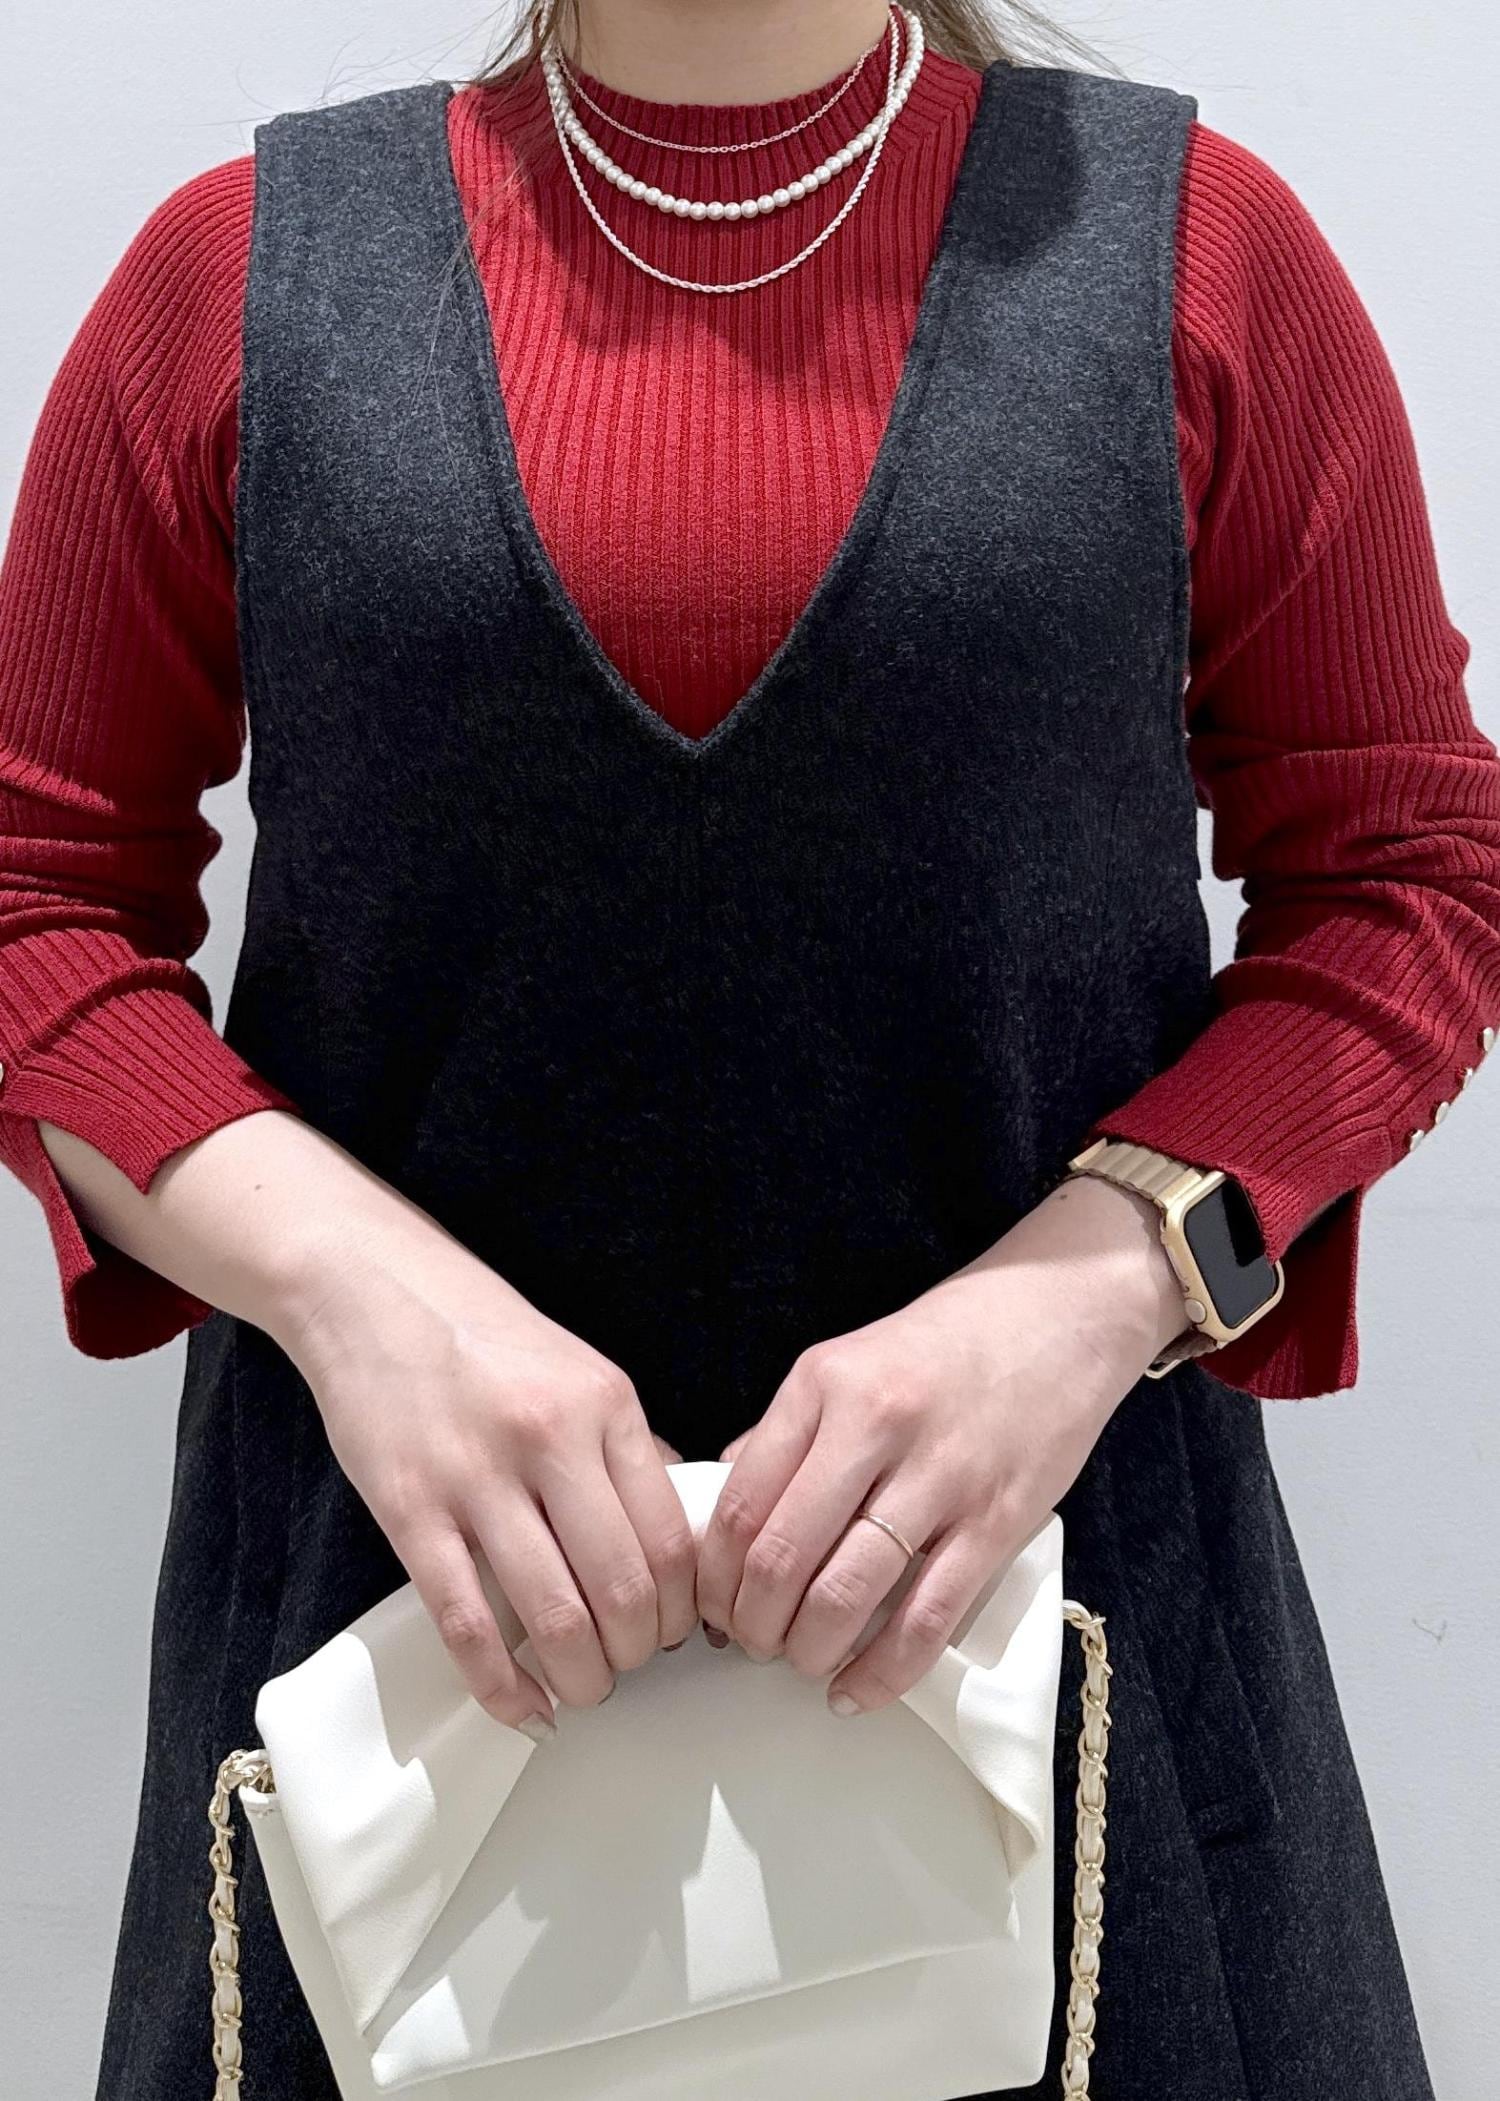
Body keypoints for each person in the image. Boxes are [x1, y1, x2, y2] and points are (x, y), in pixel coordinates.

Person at [0, 1, 1493, 2094]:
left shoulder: (1206, 262)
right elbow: (35, 896)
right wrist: (357, 1299)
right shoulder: (234, 285)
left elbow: (1409, 874)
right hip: (392, 1682)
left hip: (1086, 1676)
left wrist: (1088, 1293)